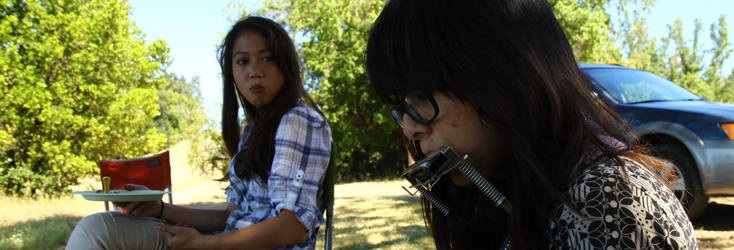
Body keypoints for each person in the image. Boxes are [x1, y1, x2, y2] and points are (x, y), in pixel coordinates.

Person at [366, 0, 698, 249]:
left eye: (422, 96)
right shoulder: (504, 195)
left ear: (502, 76)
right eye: (404, 106)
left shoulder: (606, 199)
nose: (410, 129)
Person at [66, 16, 332, 250]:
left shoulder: (297, 120)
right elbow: (230, 216)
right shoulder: (254, 130)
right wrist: (160, 209)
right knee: (100, 227)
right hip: (227, 242)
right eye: (242, 61)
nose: (255, 72)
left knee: (98, 231)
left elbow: (292, 227)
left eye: (267, 58)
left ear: (286, 64)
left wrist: (204, 244)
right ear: (231, 73)